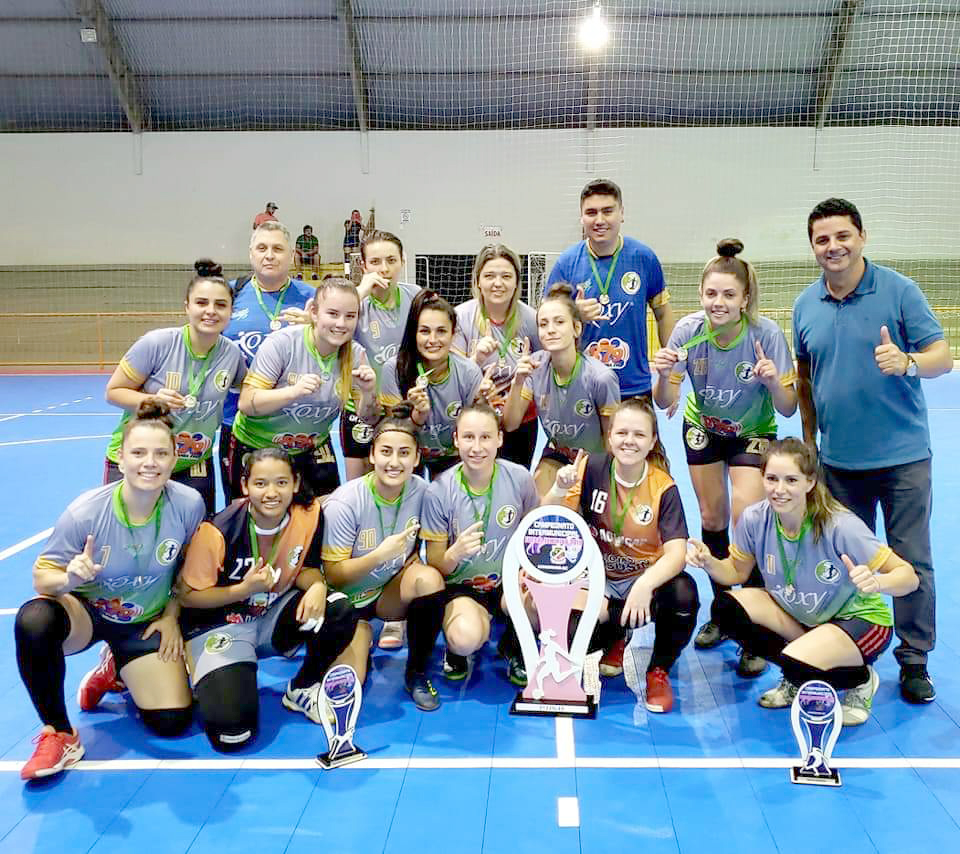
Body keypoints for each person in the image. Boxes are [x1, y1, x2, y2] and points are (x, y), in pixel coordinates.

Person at [793, 197, 952, 704]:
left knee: (910, 561)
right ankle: (848, 656)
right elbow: (804, 380)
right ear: (813, 246)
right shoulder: (804, 306)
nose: (833, 247)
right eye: (822, 239)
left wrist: (907, 362)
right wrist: (811, 443)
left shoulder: (899, 291)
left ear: (862, 236)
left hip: (904, 459)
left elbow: (942, 358)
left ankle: (913, 660)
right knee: (842, 563)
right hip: (838, 463)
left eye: (842, 236)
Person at [15, 401, 205, 780]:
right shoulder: (85, 513)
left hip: (145, 621)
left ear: (173, 459)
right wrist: (69, 578)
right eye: (138, 453)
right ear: (121, 458)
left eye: (160, 454)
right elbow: (42, 578)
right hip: (87, 615)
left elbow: (188, 569)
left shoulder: (188, 505)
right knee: (35, 620)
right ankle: (60, 733)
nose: (149, 462)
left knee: (172, 722)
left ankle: (116, 666)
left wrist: (171, 615)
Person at [687, 438, 919, 725]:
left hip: (859, 620)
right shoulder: (754, 519)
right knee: (726, 610)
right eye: (772, 479)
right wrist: (709, 562)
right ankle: (800, 670)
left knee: (797, 664)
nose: (779, 489)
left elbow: (908, 577)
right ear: (762, 478)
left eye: (791, 480)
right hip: (805, 618)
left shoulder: (839, 525)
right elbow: (735, 573)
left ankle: (860, 681)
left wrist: (878, 583)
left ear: (809, 482)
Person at [652, 239, 797, 678]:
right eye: (711, 294)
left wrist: (772, 382)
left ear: (745, 298)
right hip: (704, 427)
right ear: (701, 294)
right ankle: (722, 610)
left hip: (752, 432)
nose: (719, 303)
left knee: (746, 518)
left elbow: (789, 407)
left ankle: (753, 627)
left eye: (729, 295)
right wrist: (664, 376)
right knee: (712, 518)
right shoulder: (687, 332)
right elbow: (665, 400)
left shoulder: (766, 334)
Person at [177, 449, 357, 751]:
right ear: (245, 486)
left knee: (338, 608)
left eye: (281, 483)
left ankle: (301, 688)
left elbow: (307, 568)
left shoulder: (308, 514)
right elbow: (189, 598)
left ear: (296, 483)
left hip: (270, 615)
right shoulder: (217, 531)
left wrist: (317, 586)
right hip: (220, 628)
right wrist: (243, 590)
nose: (271, 493)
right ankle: (200, 671)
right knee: (233, 735)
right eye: (261, 484)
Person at [544, 398, 697, 713]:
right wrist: (559, 489)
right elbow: (546, 520)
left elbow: (677, 554)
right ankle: (615, 633)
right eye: (622, 432)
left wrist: (643, 586)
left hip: (642, 580)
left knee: (684, 594)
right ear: (609, 437)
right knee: (571, 635)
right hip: (597, 579)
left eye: (639, 435)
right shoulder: (591, 469)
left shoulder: (663, 487)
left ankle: (659, 671)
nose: (630, 441)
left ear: (653, 440)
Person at [322, 414, 445, 710]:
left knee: (429, 580)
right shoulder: (346, 502)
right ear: (372, 454)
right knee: (350, 684)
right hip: (346, 603)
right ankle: (352, 637)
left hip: (386, 591)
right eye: (386, 452)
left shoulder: (423, 491)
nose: (394, 462)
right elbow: (334, 576)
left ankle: (416, 671)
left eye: (404, 453)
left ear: (417, 458)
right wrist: (380, 555)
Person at [103, 260, 246, 514]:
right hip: (141, 459)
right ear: (187, 307)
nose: (211, 311)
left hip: (192, 462)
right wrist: (151, 400)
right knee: (131, 536)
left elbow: (250, 391)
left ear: (231, 311)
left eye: (220, 305)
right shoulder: (157, 343)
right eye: (201, 303)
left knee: (196, 541)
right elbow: (113, 392)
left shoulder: (232, 355)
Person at [419, 403, 539, 688]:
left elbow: (534, 532)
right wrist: (455, 552)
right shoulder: (439, 491)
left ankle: (514, 644)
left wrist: (528, 574)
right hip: (462, 585)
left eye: (485, 437)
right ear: (456, 439)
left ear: (499, 438)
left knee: (544, 606)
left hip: (508, 582)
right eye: (468, 437)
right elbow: (437, 566)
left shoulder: (520, 478)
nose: (477, 447)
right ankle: (460, 643)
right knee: (465, 638)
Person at [231, 277, 378, 499]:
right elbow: (246, 403)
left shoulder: (356, 355)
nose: (341, 324)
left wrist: (368, 392)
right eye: (333, 314)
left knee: (325, 516)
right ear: (314, 312)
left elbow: (368, 418)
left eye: (350, 316)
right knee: (259, 523)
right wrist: (293, 392)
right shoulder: (282, 344)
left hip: (311, 447)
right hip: (258, 444)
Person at [547, 178, 675, 400]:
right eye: (591, 212)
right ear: (581, 217)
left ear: (622, 213)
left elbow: (663, 313)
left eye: (607, 211)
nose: (599, 220)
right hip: (583, 386)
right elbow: (546, 319)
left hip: (634, 385)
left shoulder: (643, 258)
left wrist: (673, 375)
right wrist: (572, 313)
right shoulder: (566, 263)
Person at [219, 221, 316, 504]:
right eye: (262, 248)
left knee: (303, 511)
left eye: (277, 249)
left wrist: (315, 324)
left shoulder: (312, 298)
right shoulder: (229, 294)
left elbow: (337, 341)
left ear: (292, 255)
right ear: (251, 254)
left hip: (297, 424)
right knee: (242, 507)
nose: (269, 255)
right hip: (238, 421)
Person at [503, 283, 620, 496]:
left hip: (594, 459)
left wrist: (603, 482)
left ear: (576, 328)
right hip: (557, 453)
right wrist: (517, 382)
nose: (550, 330)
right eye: (543, 324)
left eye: (559, 322)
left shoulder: (600, 378)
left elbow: (611, 441)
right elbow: (510, 424)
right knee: (536, 507)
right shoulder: (535, 366)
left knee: (580, 513)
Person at [379, 290, 486, 478]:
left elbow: (475, 433)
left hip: (454, 455)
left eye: (441, 331)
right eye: (424, 331)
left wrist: (484, 401)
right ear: (414, 333)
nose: (433, 340)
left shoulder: (468, 372)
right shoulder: (394, 369)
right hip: (409, 454)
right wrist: (416, 415)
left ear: (454, 334)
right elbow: (396, 435)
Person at [453, 244, 542, 467]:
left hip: (521, 421)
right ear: (478, 281)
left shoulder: (532, 319)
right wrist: (476, 361)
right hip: (476, 419)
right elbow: (453, 375)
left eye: (506, 276)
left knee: (514, 489)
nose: (498, 283)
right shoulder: (460, 317)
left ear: (516, 282)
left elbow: (543, 369)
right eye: (490, 276)